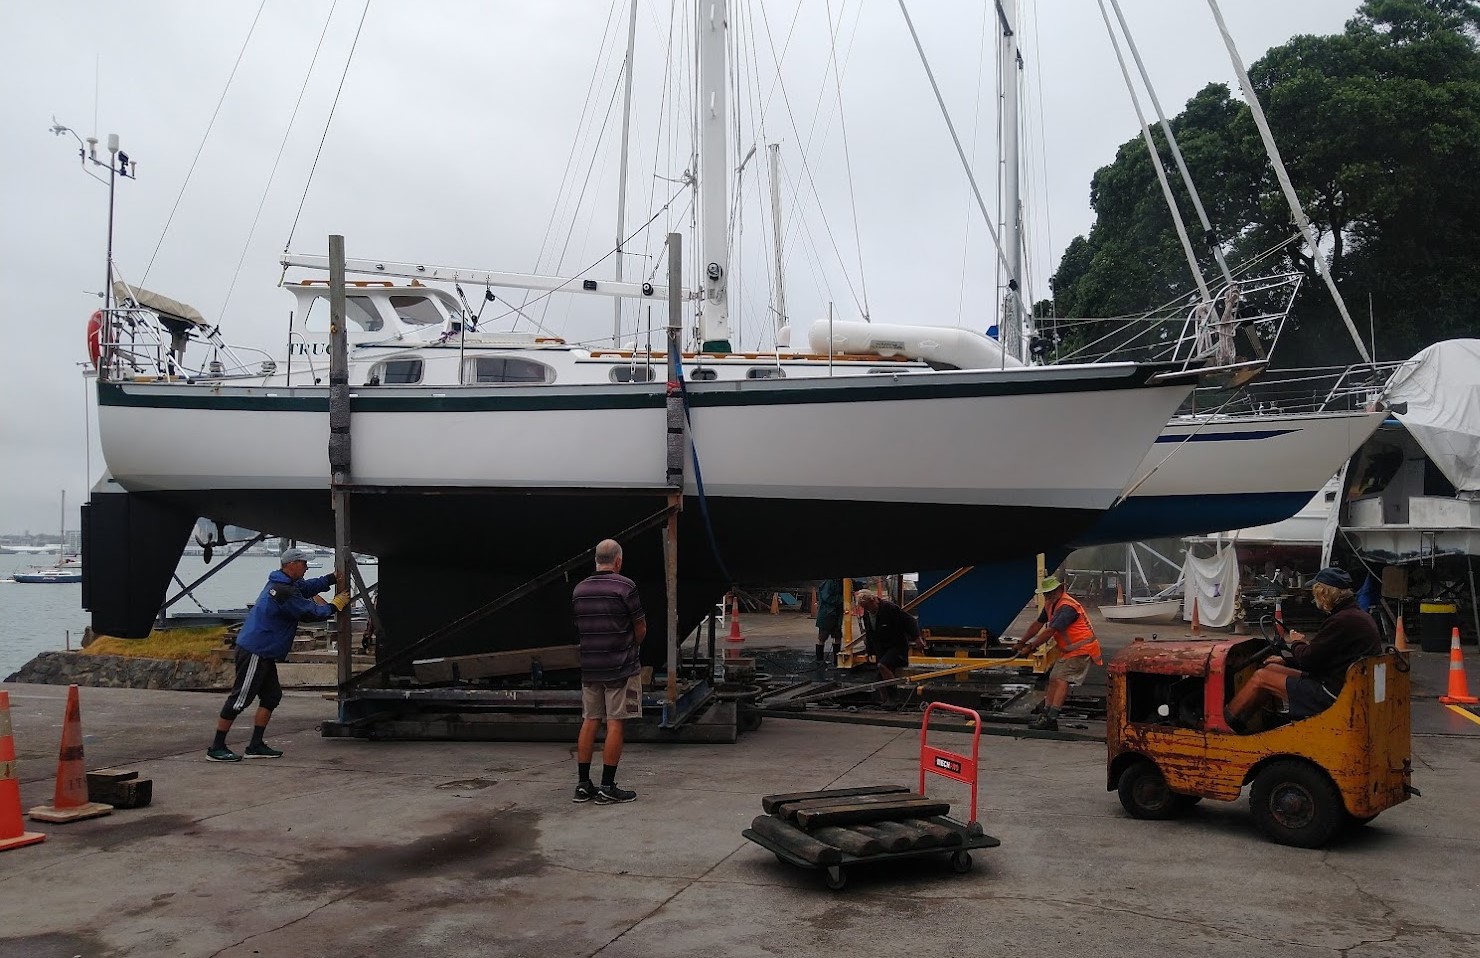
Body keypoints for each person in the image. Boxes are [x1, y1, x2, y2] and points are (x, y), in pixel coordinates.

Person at [208, 548, 350, 762]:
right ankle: (216, 747)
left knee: (272, 696)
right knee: (240, 698)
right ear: (291, 565)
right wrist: (333, 606)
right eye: (304, 563)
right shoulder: (283, 590)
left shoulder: (288, 583)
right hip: (256, 649)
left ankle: (255, 745)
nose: (306, 567)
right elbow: (308, 612)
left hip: (265, 651)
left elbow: (308, 587)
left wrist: (330, 579)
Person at [1225, 566, 1381, 731]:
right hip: (1339, 682)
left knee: (1261, 677)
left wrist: (1297, 643)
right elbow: (1321, 657)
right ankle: (1248, 723)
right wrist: (1286, 660)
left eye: (1316, 592)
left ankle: (1221, 725)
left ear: (1324, 594)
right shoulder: (1355, 616)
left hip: (1333, 693)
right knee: (1272, 667)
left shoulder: (1342, 621)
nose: (1314, 598)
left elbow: (1308, 659)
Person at [571, 538, 646, 805]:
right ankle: (607, 786)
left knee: (590, 720)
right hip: (620, 666)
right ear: (618, 561)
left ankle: (582, 785)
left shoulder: (579, 589)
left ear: (595, 560)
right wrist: (629, 647)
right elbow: (640, 628)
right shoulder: (625, 586)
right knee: (615, 723)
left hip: (590, 666)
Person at [1011, 576, 1103, 731]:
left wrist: (1031, 647)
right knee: (1054, 678)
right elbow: (1037, 624)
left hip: (1082, 649)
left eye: (1051, 592)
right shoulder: (1051, 604)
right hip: (1070, 650)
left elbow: (1050, 631)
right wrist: (1021, 642)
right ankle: (1046, 715)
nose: (1049, 596)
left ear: (1060, 589)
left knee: (1061, 679)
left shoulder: (1067, 607)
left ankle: (1051, 719)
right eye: (1046, 593)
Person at [854, 590, 925, 684]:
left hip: (896, 646)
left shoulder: (889, 608)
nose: (867, 609)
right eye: (864, 608)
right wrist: (869, 650)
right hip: (881, 648)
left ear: (873, 601)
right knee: (878, 680)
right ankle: (886, 697)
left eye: (867, 607)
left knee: (882, 666)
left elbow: (909, 621)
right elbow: (869, 633)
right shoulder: (867, 614)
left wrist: (917, 638)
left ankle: (896, 689)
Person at [815, 579, 844, 663]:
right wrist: (842, 599)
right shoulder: (829, 583)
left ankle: (836, 659)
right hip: (827, 614)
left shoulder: (841, 581)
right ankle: (819, 660)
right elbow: (826, 597)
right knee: (822, 637)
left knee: (838, 636)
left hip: (836, 615)